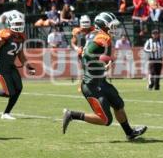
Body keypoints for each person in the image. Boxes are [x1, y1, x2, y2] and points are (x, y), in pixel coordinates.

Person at [63, 12, 147, 140]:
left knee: (118, 104)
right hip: (92, 85)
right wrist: (104, 61)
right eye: (112, 26)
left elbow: (86, 54)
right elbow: (88, 54)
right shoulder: (103, 37)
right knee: (105, 120)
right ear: (104, 26)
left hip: (100, 82)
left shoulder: (100, 35)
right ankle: (72, 115)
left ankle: (129, 132)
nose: (115, 29)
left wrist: (102, 63)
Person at [0, 10, 36, 120]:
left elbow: (20, 55)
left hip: (11, 66)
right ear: (10, 24)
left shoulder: (21, 37)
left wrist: (28, 66)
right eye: (16, 24)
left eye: (20, 24)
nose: (19, 26)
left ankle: (6, 113)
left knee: (19, 88)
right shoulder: (5, 35)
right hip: (1, 67)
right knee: (9, 93)